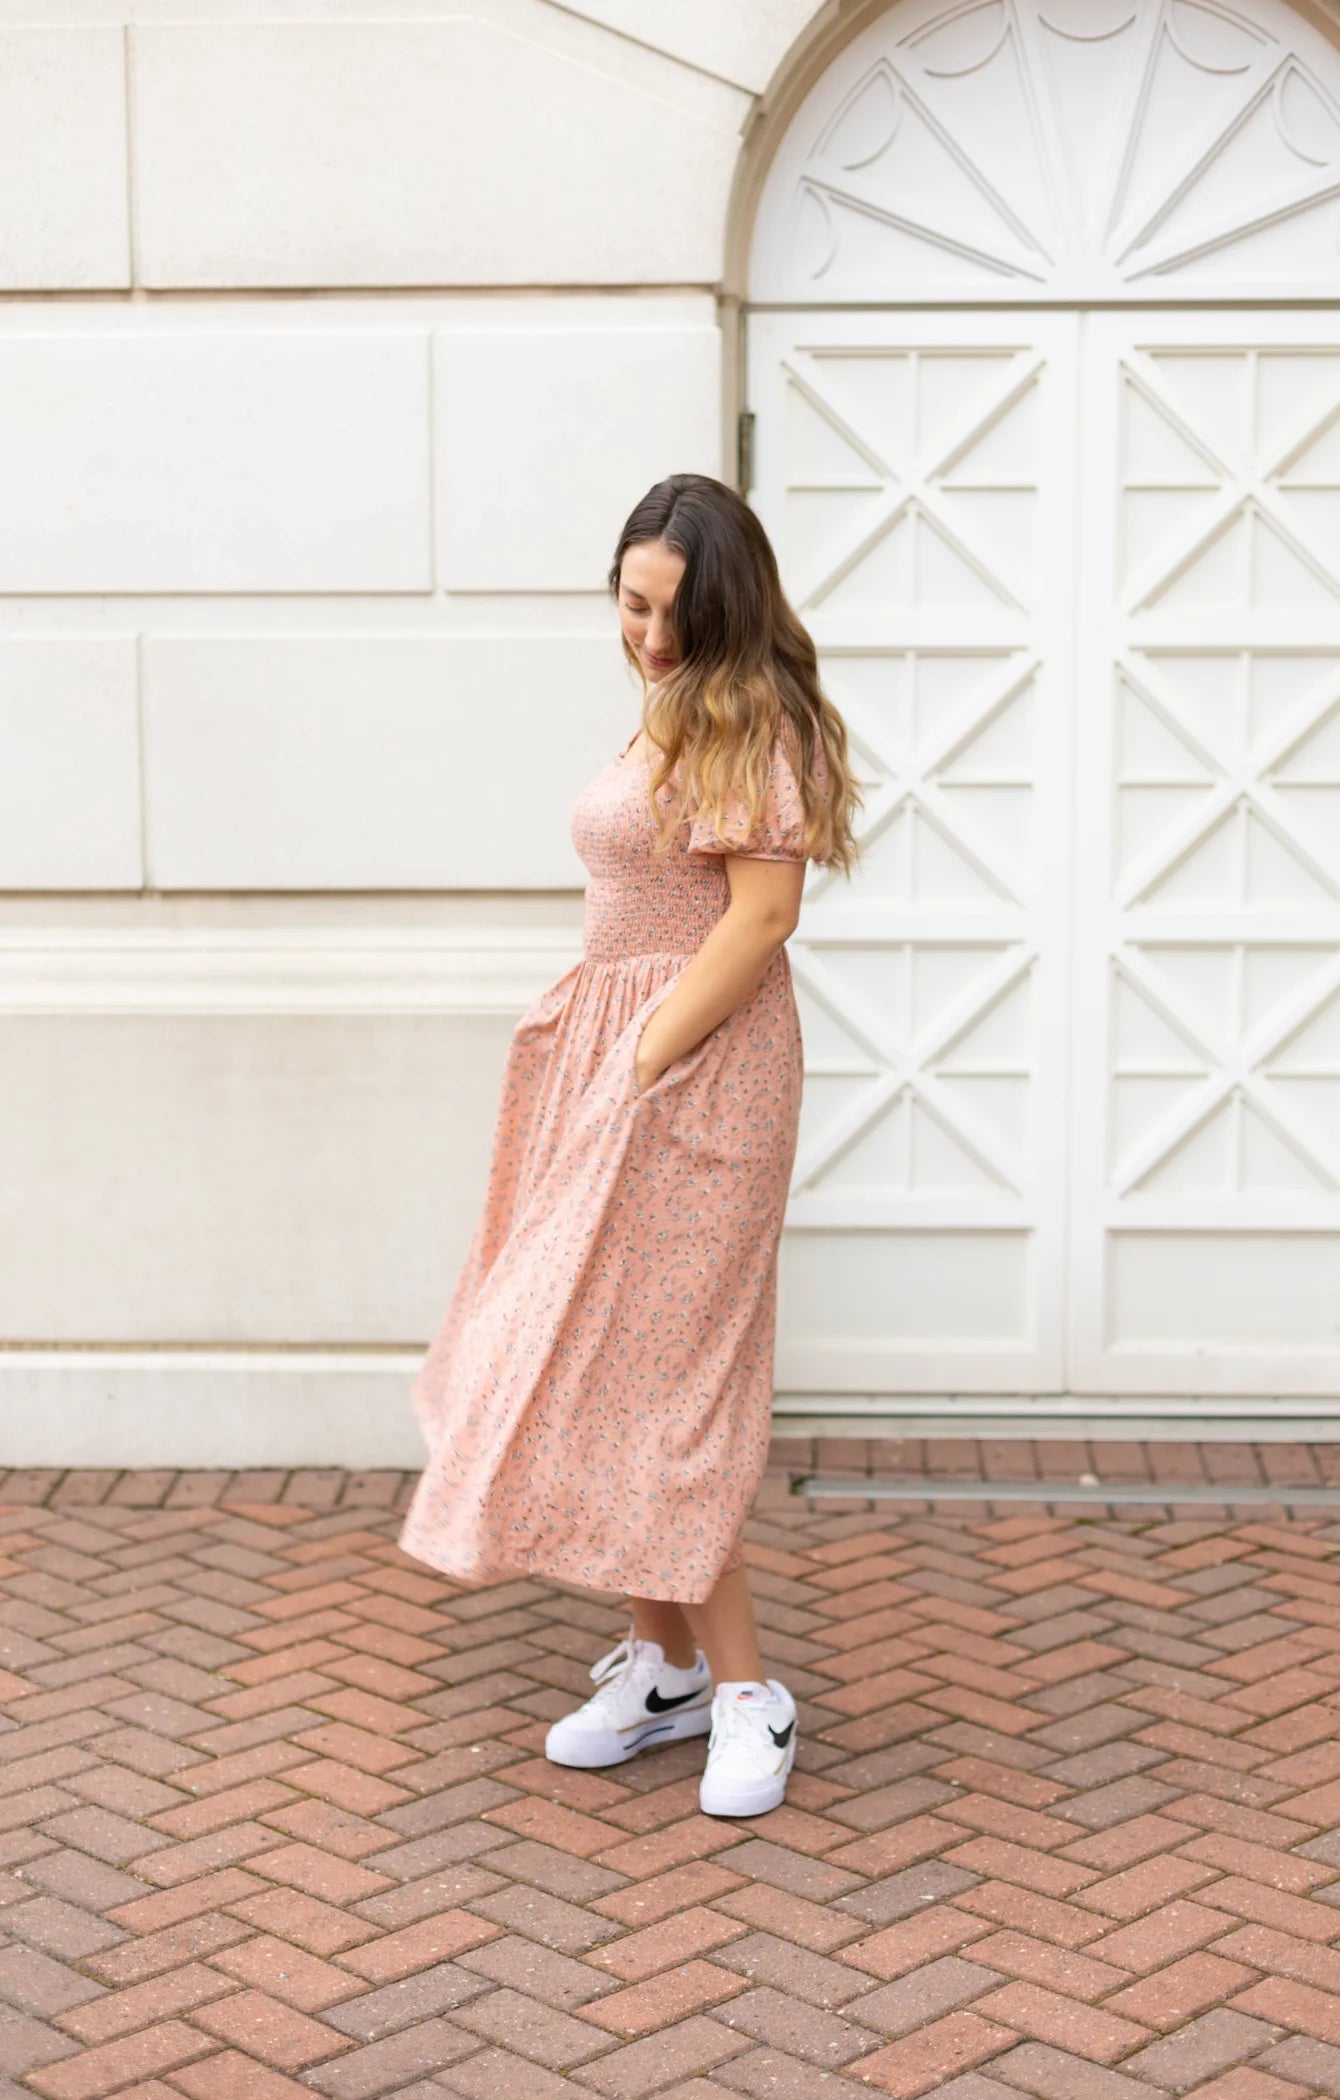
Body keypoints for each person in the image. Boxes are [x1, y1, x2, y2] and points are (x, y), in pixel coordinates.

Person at [400, 472, 861, 1817]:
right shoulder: (675, 707)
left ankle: (749, 1695)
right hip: (624, 1068)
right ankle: (659, 1668)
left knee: (667, 1387)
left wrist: (644, 1054)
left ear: (730, 608)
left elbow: (761, 918)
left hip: (696, 1080)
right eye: (632, 604)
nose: (650, 637)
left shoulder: (751, 718)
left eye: (675, 613)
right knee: (603, 1358)